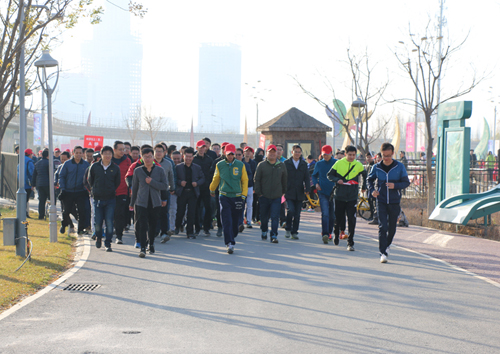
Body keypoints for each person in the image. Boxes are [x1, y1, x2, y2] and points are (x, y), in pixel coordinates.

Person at [368, 143, 410, 263]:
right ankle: (382, 253)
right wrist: (372, 190)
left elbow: (406, 182)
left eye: (388, 155)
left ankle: (387, 245)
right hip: (380, 200)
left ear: (392, 154)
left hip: (394, 201)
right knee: (382, 227)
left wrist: (395, 186)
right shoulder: (376, 167)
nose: (386, 158)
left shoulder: (399, 167)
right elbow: (369, 180)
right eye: (383, 155)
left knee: (392, 228)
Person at [130, 148, 168, 257]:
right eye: (145, 157)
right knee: (142, 225)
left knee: (152, 225)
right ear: (141, 158)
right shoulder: (138, 171)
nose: (148, 159)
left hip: (155, 202)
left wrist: (152, 182)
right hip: (141, 202)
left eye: (150, 156)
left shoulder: (160, 170)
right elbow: (135, 188)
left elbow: (165, 186)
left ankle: (151, 243)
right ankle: (142, 248)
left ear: (153, 157)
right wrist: (132, 203)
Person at [210, 144, 248, 253]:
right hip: (224, 196)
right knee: (226, 220)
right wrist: (212, 189)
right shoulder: (220, 165)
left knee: (235, 222)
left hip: (237, 196)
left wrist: (243, 195)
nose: (230, 156)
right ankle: (229, 243)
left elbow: (244, 180)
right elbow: (216, 177)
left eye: (232, 154)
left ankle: (233, 235)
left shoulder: (240, 165)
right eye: (228, 154)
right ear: (224, 153)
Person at [327, 145, 367, 251]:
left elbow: (364, 174)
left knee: (352, 220)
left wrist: (364, 186)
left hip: (352, 197)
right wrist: (337, 180)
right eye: (349, 155)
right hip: (340, 195)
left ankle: (350, 243)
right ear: (345, 154)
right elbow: (329, 175)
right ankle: (336, 233)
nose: (351, 157)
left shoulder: (358, 165)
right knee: (338, 218)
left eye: (354, 155)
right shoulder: (339, 163)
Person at [87, 146, 121, 251]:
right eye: (105, 153)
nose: (108, 156)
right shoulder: (94, 167)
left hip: (110, 199)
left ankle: (108, 243)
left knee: (109, 222)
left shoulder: (115, 168)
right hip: (97, 199)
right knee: (98, 222)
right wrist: (96, 190)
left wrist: (110, 190)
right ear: (101, 155)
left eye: (109, 154)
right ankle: (98, 237)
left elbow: (117, 182)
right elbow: (90, 180)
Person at [254, 144, 287, 243]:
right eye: (270, 152)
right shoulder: (261, 165)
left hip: (276, 196)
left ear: (277, 153)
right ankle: (264, 230)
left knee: (275, 216)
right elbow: (256, 179)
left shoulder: (281, 165)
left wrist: (283, 192)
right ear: (266, 153)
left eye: (274, 152)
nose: (272, 154)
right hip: (264, 196)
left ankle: (274, 235)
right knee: (264, 217)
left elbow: (285, 180)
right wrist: (259, 193)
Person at [58, 146, 90, 234]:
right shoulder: (67, 164)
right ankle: (64, 224)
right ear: (73, 153)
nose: (78, 155)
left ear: (83, 154)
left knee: (81, 211)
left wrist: (87, 189)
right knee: (66, 211)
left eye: (80, 153)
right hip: (68, 191)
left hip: (81, 191)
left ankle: (80, 229)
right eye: (77, 153)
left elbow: (89, 178)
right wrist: (63, 188)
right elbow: (62, 176)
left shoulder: (86, 164)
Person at [175, 147, 205, 239]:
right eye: (186, 156)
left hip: (193, 193)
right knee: (180, 211)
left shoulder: (197, 167)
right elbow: (174, 179)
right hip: (182, 192)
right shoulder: (178, 167)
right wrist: (180, 182)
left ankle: (190, 232)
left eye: (190, 157)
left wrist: (197, 183)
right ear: (183, 156)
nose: (188, 158)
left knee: (191, 213)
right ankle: (177, 226)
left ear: (193, 157)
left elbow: (203, 178)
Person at [283, 145, 310, 240]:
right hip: (289, 191)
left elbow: (307, 177)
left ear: (301, 153)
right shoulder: (286, 163)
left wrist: (308, 189)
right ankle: (288, 228)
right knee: (291, 211)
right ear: (292, 152)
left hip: (299, 192)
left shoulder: (303, 164)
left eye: (299, 152)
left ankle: (295, 232)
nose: (297, 153)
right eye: (295, 151)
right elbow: (283, 177)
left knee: (297, 214)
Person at [312, 145, 337, 244]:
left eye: (327, 154)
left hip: (334, 192)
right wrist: (316, 184)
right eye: (324, 155)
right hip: (322, 192)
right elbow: (314, 176)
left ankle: (330, 232)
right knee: (325, 213)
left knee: (332, 215)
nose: (325, 156)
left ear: (331, 153)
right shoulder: (319, 164)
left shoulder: (336, 163)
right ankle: (325, 233)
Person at [154, 144, 175, 243]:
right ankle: (154, 231)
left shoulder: (168, 163)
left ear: (164, 153)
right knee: (154, 212)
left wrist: (172, 187)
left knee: (164, 212)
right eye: (156, 151)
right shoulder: (149, 162)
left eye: (160, 151)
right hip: (152, 191)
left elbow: (171, 176)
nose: (158, 153)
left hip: (164, 190)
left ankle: (164, 232)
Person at [111, 141, 132, 244]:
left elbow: (130, 176)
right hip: (109, 193)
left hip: (122, 192)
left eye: (124, 149)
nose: (123, 151)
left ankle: (119, 236)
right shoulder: (108, 160)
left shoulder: (127, 160)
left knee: (120, 214)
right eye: (120, 149)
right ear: (114, 150)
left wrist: (130, 190)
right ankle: (109, 233)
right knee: (110, 214)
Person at [193, 140, 214, 236]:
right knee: (196, 208)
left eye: (203, 147)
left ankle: (206, 227)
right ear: (197, 148)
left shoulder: (209, 159)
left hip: (207, 187)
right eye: (200, 147)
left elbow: (212, 173)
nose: (202, 149)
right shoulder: (193, 159)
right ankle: (197, 228)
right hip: (196, 187)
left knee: (208, 207)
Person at [32, 149, 54, 219]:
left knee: (41, 201)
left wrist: (33, 184)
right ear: (48, 155)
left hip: (40, 184)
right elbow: (51, 174)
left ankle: (41, 215)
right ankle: (52, 214)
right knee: (52, 199)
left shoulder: (37, 163)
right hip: (48, 184)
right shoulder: (49, 163)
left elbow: (34, 174)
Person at [17, 148, 35, 217]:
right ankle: (25, 213)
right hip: (27, 183)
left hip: (21, 182)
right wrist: (33, 182)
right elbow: (31, 173)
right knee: (26, 199)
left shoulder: (21, 160)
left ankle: (22, 213)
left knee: (22, 200)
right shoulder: (29, 161)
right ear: (30, 154)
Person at [243, 146, 257, 228]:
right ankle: (240, 221)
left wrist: (255, 187)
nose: (248, 153)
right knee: (240, 204)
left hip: (250, 186)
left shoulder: (253, 163)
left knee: (249, 205)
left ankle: (249, 221)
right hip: (241, 186)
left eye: (249, 151)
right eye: (246, 151)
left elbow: (255, 175)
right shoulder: (240, 162)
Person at [169, 151, 182, 235]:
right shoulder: (169, 166)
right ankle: (171, 227)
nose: (176, 160)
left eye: (178, 158)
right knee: (172, 210)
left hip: (182, 192)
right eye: (174, 159)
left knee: (181, 211)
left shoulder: (183, 166)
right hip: (172, 191)